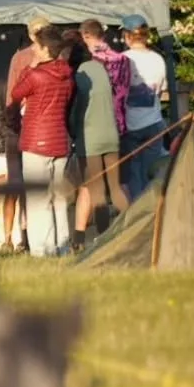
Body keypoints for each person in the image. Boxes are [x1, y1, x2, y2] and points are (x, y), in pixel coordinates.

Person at [8, 27, 75, 257]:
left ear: (46, 49)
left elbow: (16, 93)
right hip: (59, 140)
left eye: (36, 45)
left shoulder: (36, 75)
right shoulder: (67, 75)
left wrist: (30, 67)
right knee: (58, 197)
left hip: (37, 140)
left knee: (39, 198)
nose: (33, 49)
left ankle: (41, 250)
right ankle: (63, 245)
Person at [65, 31, 129, 252]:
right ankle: (132, 227)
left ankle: (84, 239)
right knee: (114, 187)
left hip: (90, 138)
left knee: (91, 188)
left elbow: (76, 112)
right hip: (110, 136)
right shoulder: (100, 69)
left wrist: (72, 132)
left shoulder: (79, 75)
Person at [2, 15, 52, 250]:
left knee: (18, 184)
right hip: (46, 129)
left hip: (25, 130)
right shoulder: (56, 58)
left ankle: (13, 238)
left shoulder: (21, 58)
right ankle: (22, 237)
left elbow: (12, 95)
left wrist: (11, 126)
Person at [119, 14, 168, 200]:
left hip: (130, 125)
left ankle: (137, 217)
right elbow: (161, 89)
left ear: (127, 36)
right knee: (151, 174)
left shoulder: (122, 59)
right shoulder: (158, 59)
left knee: (133, 176)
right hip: (154, 122)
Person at [80, 19, 131, 141]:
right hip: (120, 119)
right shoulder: (123, 59)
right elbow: (126, 89)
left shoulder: (89, 60)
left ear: (87, 36)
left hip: (96, 120)